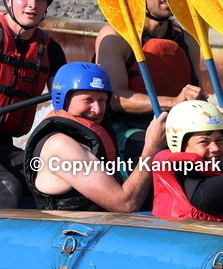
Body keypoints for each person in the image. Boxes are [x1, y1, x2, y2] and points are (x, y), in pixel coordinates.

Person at [94, 0, 205, 161]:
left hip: (177, 126)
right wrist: (174, 102)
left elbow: (198, 88)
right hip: (126, 128)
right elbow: (116, 98)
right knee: (158, 155)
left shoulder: (187, 38)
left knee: (211, 153)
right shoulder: (116, 37)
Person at [24, 62, 165, 212]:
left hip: (98, 227)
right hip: (69, 231)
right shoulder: (61, 145)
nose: (97, 110)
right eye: (88, 100)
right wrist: (151, 149)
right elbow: (125, 205)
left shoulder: (91, 132)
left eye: (102, 101)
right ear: (63, 99)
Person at [0, 0, 67, 208]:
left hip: (5, 144)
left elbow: (64, 103)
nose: (33, 5)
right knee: (10, 190)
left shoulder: (50, 49)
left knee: (54, 184)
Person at [151, 100, 223, 221]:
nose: (216, 148)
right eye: (204, 142)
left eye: (219, 140)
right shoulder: (203, 194)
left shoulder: (204, 173)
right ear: (180, 145)